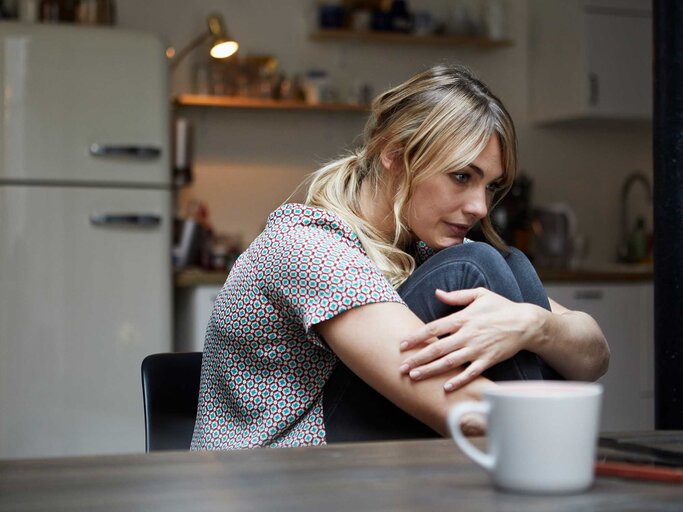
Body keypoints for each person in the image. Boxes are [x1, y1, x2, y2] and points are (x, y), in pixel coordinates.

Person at [190, 65, 609, 450]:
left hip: (358, 469)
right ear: (394, 153)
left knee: (508, 261)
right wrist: (561, 426)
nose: (481, 207)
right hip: (275, 477)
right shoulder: (309, 247)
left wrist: (536, 326)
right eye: (461, 177)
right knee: (476, 265)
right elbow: (466, 413)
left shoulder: (424, 243)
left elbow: (595, 356)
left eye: (490, 186)